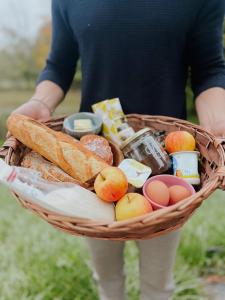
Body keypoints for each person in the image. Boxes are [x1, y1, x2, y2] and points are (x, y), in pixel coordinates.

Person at [11, 1, 225, 299]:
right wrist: (42, 103)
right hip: (94, 167)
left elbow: (209, 68)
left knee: (157, 285)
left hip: (167, 168)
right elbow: (59, 65)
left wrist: (218, 128)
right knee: (107, 280)